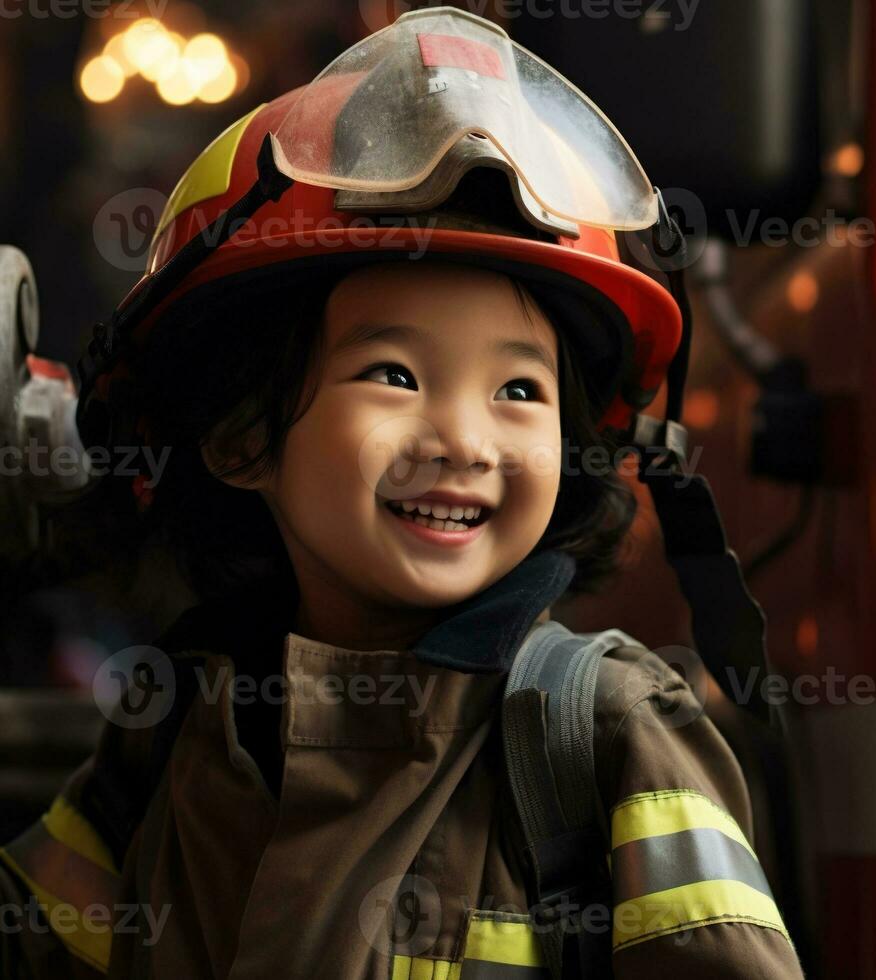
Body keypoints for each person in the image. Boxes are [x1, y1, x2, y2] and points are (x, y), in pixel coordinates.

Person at [0, 8, 804, 979]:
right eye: (393, 375)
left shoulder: (606, 733)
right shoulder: (178, 728)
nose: (464, 440)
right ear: (240, 434)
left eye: (519, 390)